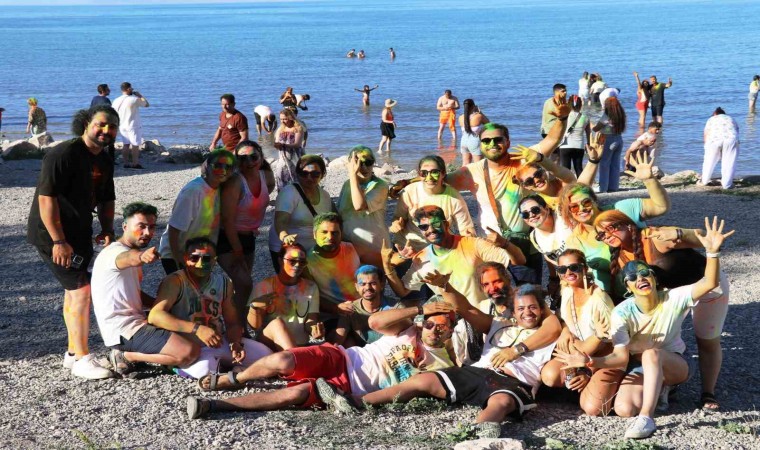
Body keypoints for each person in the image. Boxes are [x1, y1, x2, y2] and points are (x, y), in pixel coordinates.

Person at [555, 217, 732, 439]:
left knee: (651, 354)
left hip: (674, 363)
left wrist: (712, 253)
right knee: (624, 408)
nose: (639, 278)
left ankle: (647, 417)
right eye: (631, 277)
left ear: (655, 279)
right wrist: (590, 362)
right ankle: (659, 389)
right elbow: (620, 357)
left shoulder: (673, 298)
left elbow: (709, 283)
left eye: (644, 273)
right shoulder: (622, 313)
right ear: (628, 287)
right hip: (640, 366)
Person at [186, 296, 456, 417]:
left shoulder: (444, 363)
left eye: (441, 327)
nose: (433, 329)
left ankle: (215, 405)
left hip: (348, 388)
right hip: (342, 358)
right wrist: (419, 309)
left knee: (293, 395)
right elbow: (374, 322)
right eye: (429, 323)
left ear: (451, 331)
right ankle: (236, 378)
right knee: (282, 360)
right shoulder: (408, 329)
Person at [358, 278, 560, 440]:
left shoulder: (553, 334)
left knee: (502, 401)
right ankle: (358, 401)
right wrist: (445, 286)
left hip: (514, 380)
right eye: (521, 308)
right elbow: (466, 308)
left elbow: (554, 325)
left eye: (533, 307)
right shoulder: (499, 324)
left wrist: (516, 350)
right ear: (513, 312)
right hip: (479, 371)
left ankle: (478, 434)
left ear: (542, 309)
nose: (527, 312)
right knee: (423, 380)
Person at [593, 210, 731, 409]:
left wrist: (679, 233)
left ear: (628, 225)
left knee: (707, 340)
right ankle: (667, 378)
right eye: (601, 234)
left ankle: (708, 393)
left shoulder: (654, 237)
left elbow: (705, 238)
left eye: (612, 227)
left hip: (708, 285)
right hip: (672, 295)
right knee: (663, 339)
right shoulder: (620, 256)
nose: (607, 235)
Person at [26, 105, 119, 379]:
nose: (106, 130)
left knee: (73, 291)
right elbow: (46, 200)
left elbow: (106, 198)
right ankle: (82, 358)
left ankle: (72, 353)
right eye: (101, 124)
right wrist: (59, 241)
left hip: (80, 233)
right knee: (82, 291)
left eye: (112, 126)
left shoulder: (105, 159)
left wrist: (107, 229)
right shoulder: (62, 154)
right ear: (86, 123)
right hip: (53, 236)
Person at [444, 104, 570, 285]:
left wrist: (562, 118)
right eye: (486, 141)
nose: (492, 144)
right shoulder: (471, 172)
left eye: (498, 139)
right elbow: (437, 182)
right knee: (497, 293)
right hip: (492, 246)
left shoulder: (523, 160)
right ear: (480, 145)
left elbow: (553, 139)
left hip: (527, 245)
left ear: (508, 142)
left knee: (529, 293)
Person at [91, 202, 199, 376]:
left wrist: (163, 306)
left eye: (152, 227)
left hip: (136, 321)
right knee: (189, 352)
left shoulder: (124, 250)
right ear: (125, 226)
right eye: (141, 226)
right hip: (124, 330)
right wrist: (142, 256)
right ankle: (126, 356)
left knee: (188, 320)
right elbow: (128, 258)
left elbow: (134, 294)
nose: (148, 233)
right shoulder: (114, 253)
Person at [149, 237, 271, 379]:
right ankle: (176, 366)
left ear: (215, 260)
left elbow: (232, 322)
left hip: (218, 341)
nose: (200, 263)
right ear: (185, 259)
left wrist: (235, 343)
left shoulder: (223, 283)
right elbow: (155, 316)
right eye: (194, 258)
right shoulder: (175, 281)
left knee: (265, 355)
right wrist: (197, 329)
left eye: (206, 258)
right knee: (206, 372)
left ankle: (226, 367)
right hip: (189, 346)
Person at [557, 159, 671, 292]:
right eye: (574, 207)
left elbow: (661, 207)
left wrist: (649, 180)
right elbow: (573, 275)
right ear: (569, 212)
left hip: (653, 287)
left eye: (586, 202)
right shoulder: (576, 241)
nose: (582, 209)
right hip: (614, 297)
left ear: (594, 200)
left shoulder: (622, 209)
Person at [385, 205, 525, 307]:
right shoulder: (422, 258)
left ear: (446, 224)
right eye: (424, 227)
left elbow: (519, 261)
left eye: (436, 224)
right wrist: (387, 266)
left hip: (485, 313)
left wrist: (505, 244)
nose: (431, 230)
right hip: (454, 323)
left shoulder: (473, 244)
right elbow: (403, 291)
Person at [539, 249, 620, 416]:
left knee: (593, 408)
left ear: (585, 268)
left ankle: (611, 385)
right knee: (549, 375)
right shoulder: (567, 290)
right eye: (562, 269)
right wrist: (565, 330)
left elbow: (612, 343)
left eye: (574, 267)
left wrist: (588, 370)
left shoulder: (599, 299)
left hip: (602, 357)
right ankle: (582, 387)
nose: (568, 272)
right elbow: (562, 318)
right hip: (579, 351)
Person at [218, 141, 273, 326]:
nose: (249, 162)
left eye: (253, 157)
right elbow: (227, 220)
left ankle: (234, 322)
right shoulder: (235, 182)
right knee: (245, 284)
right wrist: (237, 249)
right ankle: (238, 325)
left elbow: (265, 194)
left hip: (249, 237)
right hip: (227, 238)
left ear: (261, 157)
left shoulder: (266, 176)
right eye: (242, 158)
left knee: (241, 285)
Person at [157, 149, 235, 274]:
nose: (223, 170)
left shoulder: (219, 189)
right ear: (207, 167)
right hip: (177, 254)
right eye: (217, 166)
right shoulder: (194, 191)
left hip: (199, 253)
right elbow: (174, 228)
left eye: (228, 167)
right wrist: (178, 259)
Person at [390, 155, 476, 253]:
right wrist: (396, 224)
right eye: (424, 173)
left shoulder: (454, 198)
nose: (429, 177)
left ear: (443, 173)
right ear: (419, 174)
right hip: (406, 246)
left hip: (437, 250)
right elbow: (398, 217)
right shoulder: (409, 191)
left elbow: (466, 229)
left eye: (434, 172)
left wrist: (469, 238)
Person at [249, 243, 322, 350]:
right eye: (292, 261)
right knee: (277, 324)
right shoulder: (264, 286)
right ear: (280, 260)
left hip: (299, 345)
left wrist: (314, 330)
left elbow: (311, 320)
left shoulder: (311, 287)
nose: (297, 265)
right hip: (269, 346)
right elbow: (253, 327)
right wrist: (254, 307)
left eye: (302, 262)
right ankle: (294, 356)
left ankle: (293, 355)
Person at [268, 154, 333, 272]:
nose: (309, 178)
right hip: (287, 248)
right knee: (291, 281)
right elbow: (280, 221)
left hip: (312, 250)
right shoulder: (289, 192)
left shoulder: (325, 196)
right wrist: (285, 237)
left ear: (323, 174)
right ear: (297, 174)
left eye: (315, 174)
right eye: (304, 173)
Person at [337, 146, 390, 267]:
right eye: (359, 163)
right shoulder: (347, 184)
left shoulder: (380, 185)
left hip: (373, 247)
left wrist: (352, 174)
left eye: (368, 162)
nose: (364, 167)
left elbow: (359, 205)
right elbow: (339, 212)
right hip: (350, 246)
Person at [305, 213, 361, 318]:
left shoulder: (351, 248)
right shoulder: (307, 262)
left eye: (335, 233)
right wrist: (336, 308)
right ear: (314, 234)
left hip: (363, 306)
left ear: (341, 234)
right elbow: (311, 297)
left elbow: (380, 261)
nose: (330, 237)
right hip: (335, 315)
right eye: (324, 232)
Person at [332, 265, 397, 347]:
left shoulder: (395, 307)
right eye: (362, 284)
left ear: (382, 285)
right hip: (362, 353)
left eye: (373, 283)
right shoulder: (349, 310)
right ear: (356, 287)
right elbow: (338, 340)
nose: (367, 287)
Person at [592, 97, 627, 192]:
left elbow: (597, 128)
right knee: (615, 165)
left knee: (604, 164)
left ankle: (603, 187)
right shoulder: (621, 115)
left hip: (608, 140)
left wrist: (591, 125)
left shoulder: (606, 116)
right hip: (619, 139)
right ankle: (613, 187)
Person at [112, 82, 149, 169]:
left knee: (126, 144)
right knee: (135, 145)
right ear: (128, 89)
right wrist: (140, 95)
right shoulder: (134, 99)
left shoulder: (116, 100)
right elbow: (147, 104)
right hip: (133, 125)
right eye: (131, 88)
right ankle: (135, 163)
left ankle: (126, 163)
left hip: (122, 125)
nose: (132, 89)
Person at [701, 107, 739, 189]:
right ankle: (727, 184)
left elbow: (706, 134)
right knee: (729, 162)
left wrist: (706, 147)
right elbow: (736, 132)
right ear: (723, 113)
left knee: (709, 161)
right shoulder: (731, 118)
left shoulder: (711, 119)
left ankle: (704, 181)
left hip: (714, 140)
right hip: (731, 139)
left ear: (715, 114)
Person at [558, 95, 592, 176]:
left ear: (568, 104)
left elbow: (559, 130)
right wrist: (588, 144)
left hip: (565, 145)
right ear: (580, 105)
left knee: (566, 170)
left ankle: (567, 184)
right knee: (579, 168)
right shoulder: (585, 117)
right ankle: (581, 183)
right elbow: (588, 132)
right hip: (579, 146)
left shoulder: (564, 116)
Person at [272, 108, 305, 189]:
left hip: (295, 156)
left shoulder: (298, 128)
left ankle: (298, 192)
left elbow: (297, 144)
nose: (282, 121)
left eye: (285, 119)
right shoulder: (280, 129)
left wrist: (284, 145)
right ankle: (282, 193)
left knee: (295, 176)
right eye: (281, 119)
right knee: (281, 174)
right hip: (282, 157)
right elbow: (277, 142)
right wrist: (277, 145)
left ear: (291, 118)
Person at [458, 98, 489, 165]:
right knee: (478, 164)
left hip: (464, 141)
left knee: (465, 163)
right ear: (473, 106)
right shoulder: (478, 116)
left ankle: (463, 172)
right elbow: (488, 124)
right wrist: (480, 112)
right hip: (475, 141)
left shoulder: (460, 117)